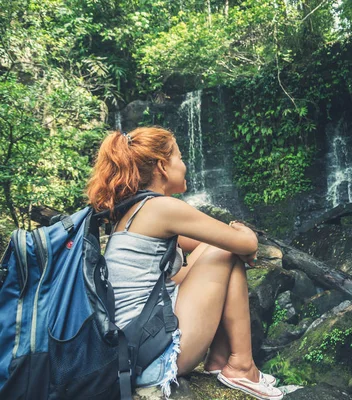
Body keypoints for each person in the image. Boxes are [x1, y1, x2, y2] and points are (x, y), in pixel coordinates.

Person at [86, 127, 283, 400]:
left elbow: (201, 244)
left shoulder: (130, 214)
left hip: (132, 353)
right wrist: (242, 232)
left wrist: (232, 242)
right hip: (152, 358)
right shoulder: (163, 208)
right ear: (162, 167)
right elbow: (245, 245)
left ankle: (221, 359)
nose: (185, 164)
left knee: (216, 249)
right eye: (179, 157)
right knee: (224, 252)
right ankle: (240, 365)